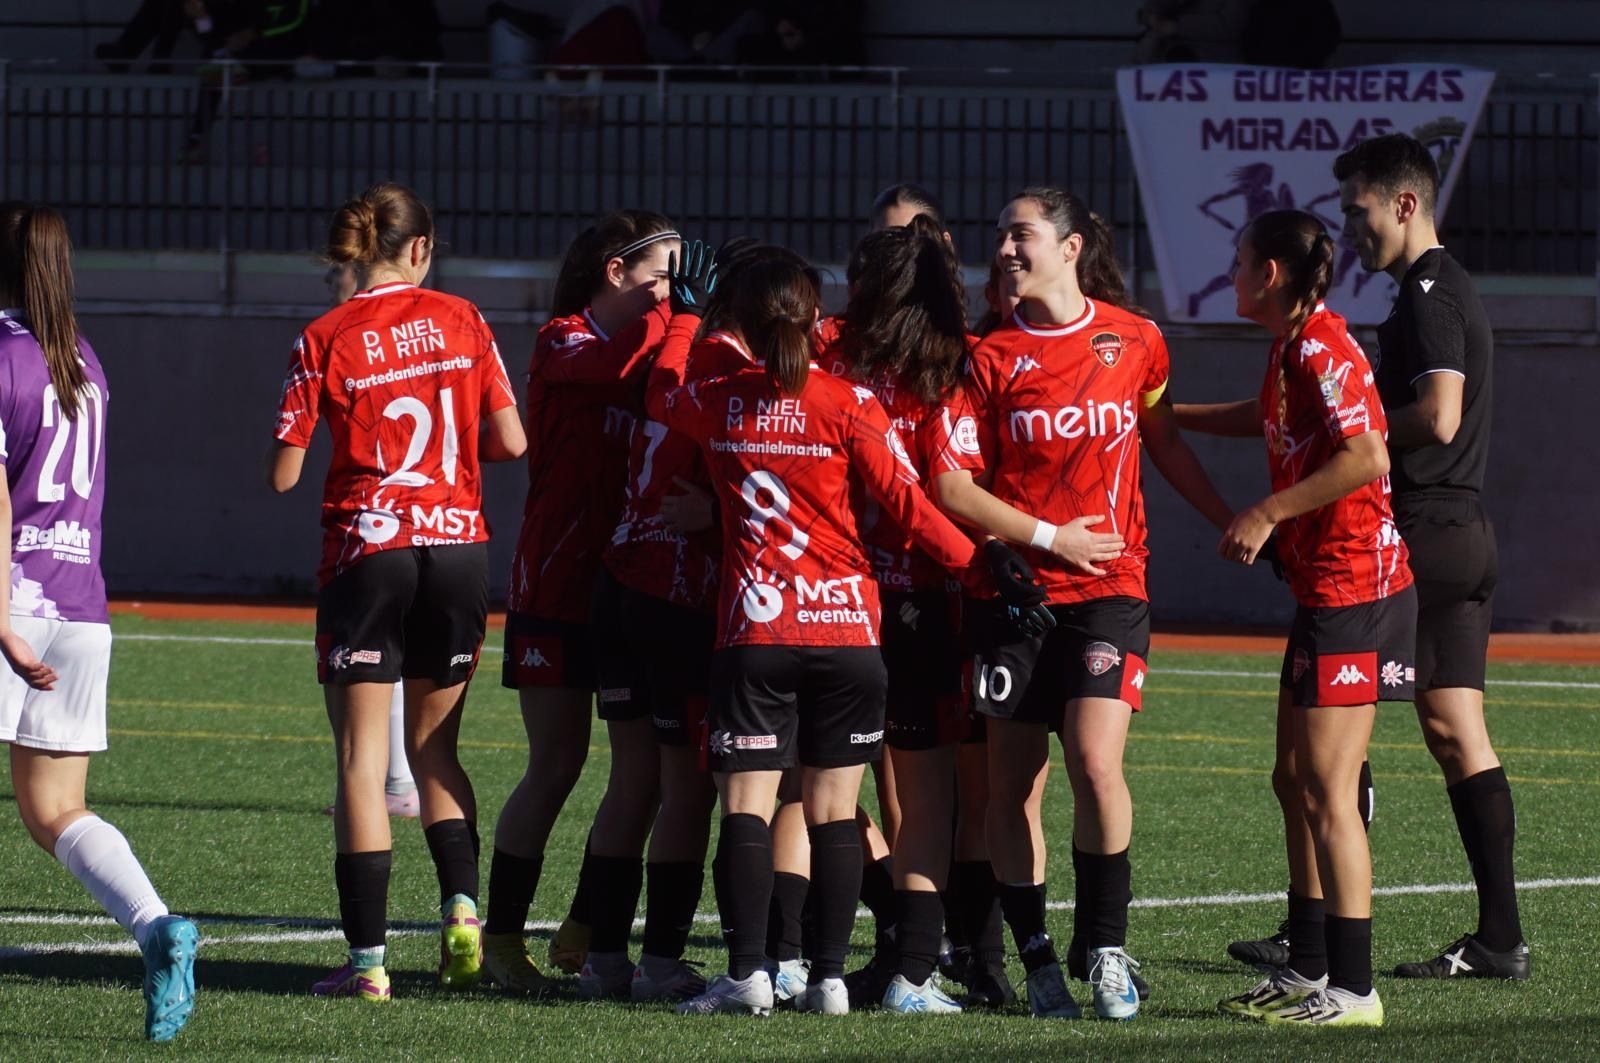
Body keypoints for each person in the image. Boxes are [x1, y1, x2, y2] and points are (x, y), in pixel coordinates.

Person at [655, 245, 1049, 1017]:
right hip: (849, 635)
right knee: (838, 809)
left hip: (756, 631)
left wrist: (685, 321)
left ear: (739, 320)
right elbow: (911, 509)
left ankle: (750, 974)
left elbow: (662, 392)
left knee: (751, 804)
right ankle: (830, 979)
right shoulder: (848, 403)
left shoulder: (716, 393)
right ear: (812, 320)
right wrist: (985, 569)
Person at [932, 186, 1234, 1021]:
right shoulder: (986, 356)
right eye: (998, 236)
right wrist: (1046, 536)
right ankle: (1034, 960)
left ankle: (1105, 946)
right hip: (1018, 598)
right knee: (1011, 789)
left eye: (1020, 234)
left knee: (1097, 764)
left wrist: (1233, 519)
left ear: (1070, 247)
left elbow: (1161, 440)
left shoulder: (1135, 340)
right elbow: (954, 486)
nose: (1004, 249)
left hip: (1111, 591)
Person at [270, 182, 526, 1001]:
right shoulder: (465, 319)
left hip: (368, 546)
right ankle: (461, 909)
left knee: (359, 758)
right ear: (420, 249)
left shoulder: (325, 334)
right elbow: (511, 441)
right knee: (437, 749)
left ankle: (370, 962)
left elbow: (282, 475)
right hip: (458, 547)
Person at [1176, 208, 1415, 1026]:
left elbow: (1367, 455)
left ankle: (1354, 988)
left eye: (1240, 260)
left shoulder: (1321, 344)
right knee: (1292, 780)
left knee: (1328, 790)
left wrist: (1267, 511)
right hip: (1324, 591)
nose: (1233, 271)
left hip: (1357, 592)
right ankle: (1309, 965)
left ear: (1269, 273)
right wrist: (1174, 418)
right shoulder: (1292, 346)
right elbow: (1269, 416)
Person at [0, 202, 198, 1042]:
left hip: (15, 603)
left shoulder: (2, 358)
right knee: (57, 812)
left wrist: (3, 617)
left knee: (51, 810)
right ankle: (157, 926)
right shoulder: (83, 361)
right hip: (80, 608)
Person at [1338, 134, 1527, 981]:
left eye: (1359, 209)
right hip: (1464, 534)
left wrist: (1355, 432)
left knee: (1336, 722)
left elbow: (1439, 415)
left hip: (1418, 531)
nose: (1352, 228)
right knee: (1457, 730)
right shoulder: (1439, 289)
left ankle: (1316, 927)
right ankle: (1500, 938)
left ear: (1403, 204)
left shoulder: (1426, 292)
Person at [486, 210, 678, 994]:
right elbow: (614, 370)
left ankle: (589, 925)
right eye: (660, 273)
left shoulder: (662, 343)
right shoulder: (563, 337)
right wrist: (681, 317)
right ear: (615, 271)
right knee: (557, 762)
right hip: (557, 582)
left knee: (645, 770)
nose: (671, 289)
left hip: (630, 579)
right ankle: (500, 937)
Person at [815, 216, 978, 1014]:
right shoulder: (944, 371)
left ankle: (795, 958)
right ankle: (916, 966)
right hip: (917, 596)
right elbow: (944, 493)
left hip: (833, 595)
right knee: (927, 796)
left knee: (820, 787)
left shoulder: (826, 356)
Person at [318, 260, 419, 821]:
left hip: (381, 522)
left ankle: (394, 783)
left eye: (340, 275)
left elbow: (282, 470)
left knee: (373, 659)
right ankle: (402, 781)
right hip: (439, 527)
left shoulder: (347, 338)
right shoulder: (433, 327)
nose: (335, 290)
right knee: (396, 658)